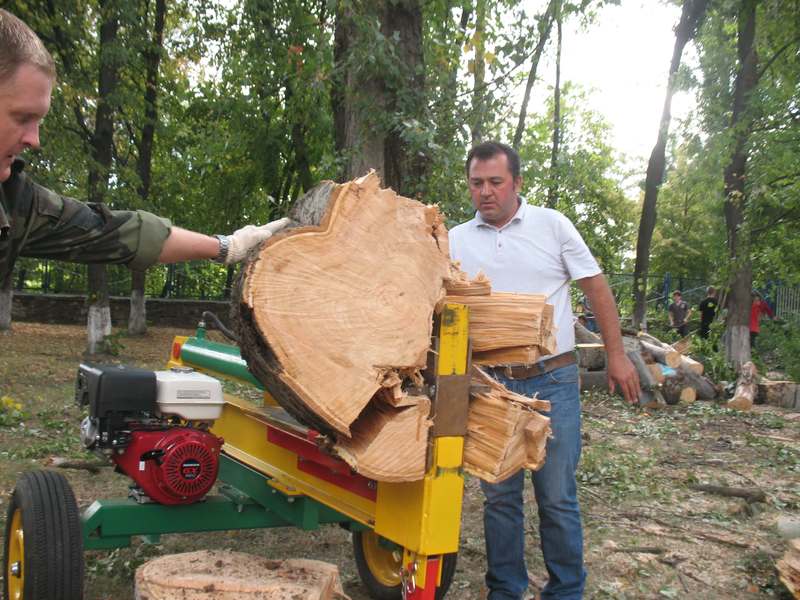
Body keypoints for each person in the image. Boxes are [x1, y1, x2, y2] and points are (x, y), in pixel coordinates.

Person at [448, 141, 639, 600]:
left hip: (552, 380)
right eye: (477, 183)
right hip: (490, 383)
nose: (486, 192)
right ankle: (506, 590)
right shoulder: (454, 239)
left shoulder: (552, 226)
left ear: (517, 182)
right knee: (499, 496)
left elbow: (596, 288)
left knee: (556, 495)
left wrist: (616, 354)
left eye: (496, 182)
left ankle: (566, 591)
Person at [0, 8, 288, 285]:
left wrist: (230, 246)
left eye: (38, 121)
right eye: (22, 117)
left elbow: (115, 231)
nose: (34, 140)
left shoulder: (14, 202)